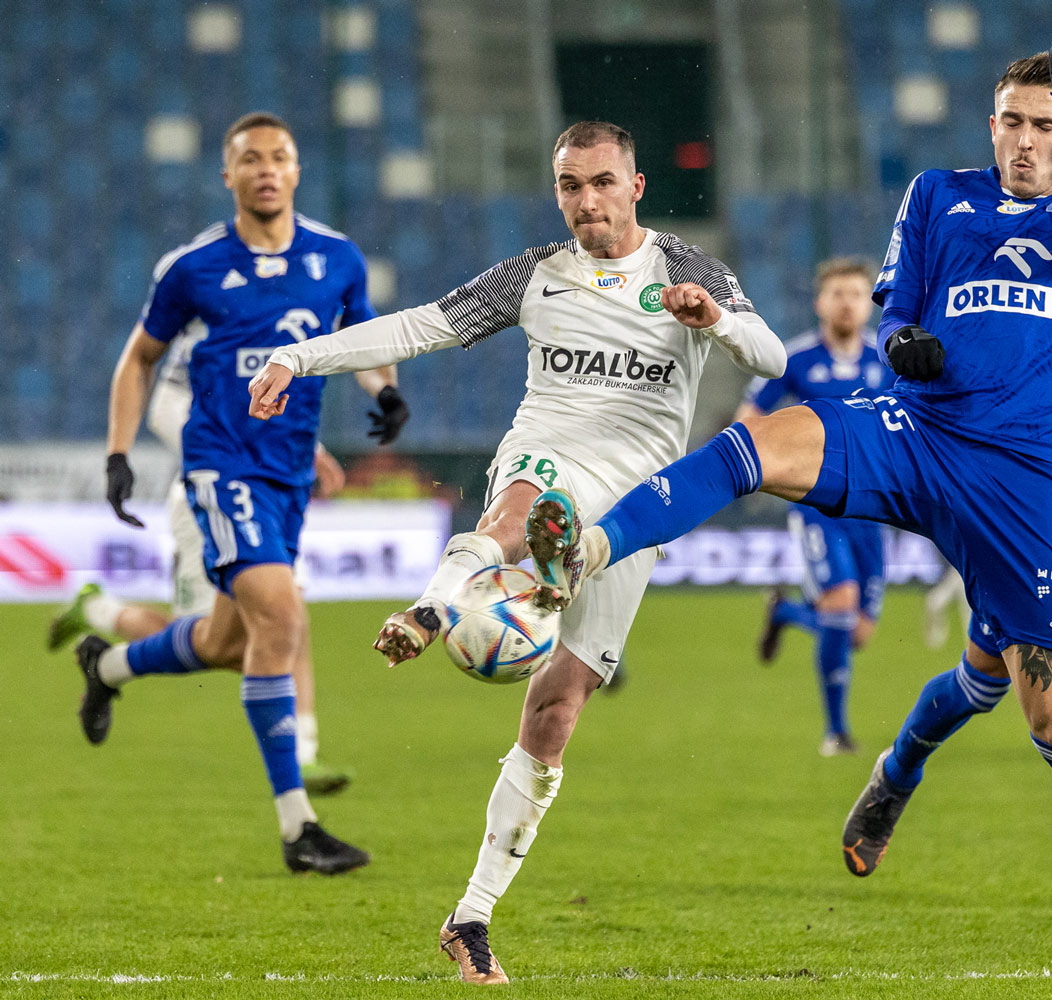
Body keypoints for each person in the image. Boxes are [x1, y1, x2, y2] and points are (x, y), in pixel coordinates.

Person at [522, 14, 1052, 977]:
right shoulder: (939, 196)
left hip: (1027, 476)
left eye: (1043, 125)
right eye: (1009, 122)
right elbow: (899, 304)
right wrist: (903, 342)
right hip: (922, 432)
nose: (1024, 142)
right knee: (762, 440)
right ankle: (593, 547)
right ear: (989, 127)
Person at [245, 121, 786, 983]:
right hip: (549, 452)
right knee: (520, 505)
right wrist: (299, 357)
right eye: (570, 186)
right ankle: (434, 605)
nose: (586, 202)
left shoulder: (686, 268)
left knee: (555, 712)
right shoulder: (535, 274)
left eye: (602, 183)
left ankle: (471, 917)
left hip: (633, 510)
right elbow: (421, 326)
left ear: (636, 186)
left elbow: (773, 354)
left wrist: (715, 319)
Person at [72, 111, 404, 874]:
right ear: (228, 176)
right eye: (249, 159)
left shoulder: (335, 259)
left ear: (295, 172)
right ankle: (298, 829)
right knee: (283, 615)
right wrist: (119, 453)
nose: (265, 169)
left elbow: (368, 339)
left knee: (227, 643)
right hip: (221, 466)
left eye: (279, 157)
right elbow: (139, 359)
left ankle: (108, 666)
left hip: (288, 475)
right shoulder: (193, 268)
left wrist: (384, 393)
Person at [47, 332, 387, 794]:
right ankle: (98, 613)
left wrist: (311, 450)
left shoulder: (281, 318)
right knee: (207, 640)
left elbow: (273, 406)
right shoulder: (210, 322)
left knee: (289, 618)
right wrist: (232, 460)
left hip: (267, 497)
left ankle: (304, 754)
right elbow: (166, 411)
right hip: (208, 498)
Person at [737, 257, 892, 756]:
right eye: (837, 293)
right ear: (819, 302)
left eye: (856, 293)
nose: (847, 302)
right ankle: (836, 732)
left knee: (859, 633)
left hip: (872, 511)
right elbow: (749, 417)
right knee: (842, 605)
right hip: (817, 509)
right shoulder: (795, 360)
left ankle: (784, 611)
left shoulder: (888, 359)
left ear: (870, 301)